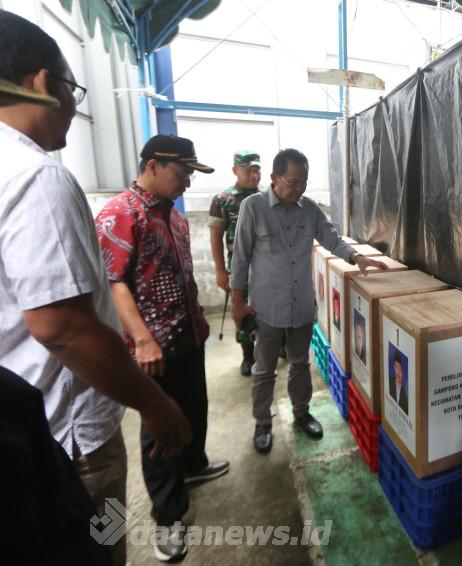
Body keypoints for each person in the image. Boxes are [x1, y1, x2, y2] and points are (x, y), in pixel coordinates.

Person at [0, 11, 191, 565]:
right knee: (99, 542)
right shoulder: (38, 176)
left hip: (30, 424)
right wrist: (153, 404)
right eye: (72, 90)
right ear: (42, 83)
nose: (75, 107)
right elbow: (63, 326)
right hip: (70, 431)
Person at [96, 134, 229, 562]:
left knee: (194, 407)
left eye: (191, 173)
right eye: (182, 172)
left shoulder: (173, 215)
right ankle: (168, 517)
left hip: (186, 337)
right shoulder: (120, 214)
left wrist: (198, 319)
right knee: (160, 431)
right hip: (152, 350)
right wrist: (143, 338)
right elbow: (114, 282)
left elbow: (182, 273)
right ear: (153, 165)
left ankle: (194, 466)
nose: (187, 182)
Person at [230, 148, 388, 452]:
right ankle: (263, 421)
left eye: (304, 182)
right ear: (275, 177)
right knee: (264, 370)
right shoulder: (253, 207)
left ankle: (301, 413)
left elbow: (331, 238)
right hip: (266, 308)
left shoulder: (309, 209)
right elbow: (240, 258)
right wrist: (238, 302)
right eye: (293, 181)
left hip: (301, 304)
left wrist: (357, 258)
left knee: (300, 364)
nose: (300, 188)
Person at [0, 365, 111, 566]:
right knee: (108, 522)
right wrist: (151, 403)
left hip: (56, 428)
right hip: (82, 433)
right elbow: (61, 335)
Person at [209, 151, 273, 376]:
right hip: (238, 265)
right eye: (249, 170)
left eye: (257, 170)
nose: (254, 175)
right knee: (242, 307)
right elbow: (215, 236)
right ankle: (248, 355)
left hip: (268, 262)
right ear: (235, 170)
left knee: (273, 305)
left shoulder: (269, 195)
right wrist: (220, 270)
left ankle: (278, 345)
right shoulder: (223, 199)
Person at [388, 349, 408, 414]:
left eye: (401, 368)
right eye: (396, 366)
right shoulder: (388, 382)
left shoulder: (406, 394)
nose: (398, 372)